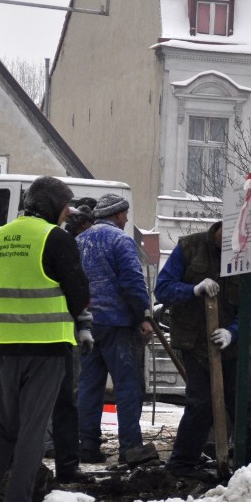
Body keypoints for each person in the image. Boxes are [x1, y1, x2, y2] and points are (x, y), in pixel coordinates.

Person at [0, 176, 90, 502]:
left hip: (7, 344)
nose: (68, 213)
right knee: (34, 427)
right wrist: (83, 322)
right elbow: (79, 292)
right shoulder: (56, 239)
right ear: (51, 205)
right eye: (65, 206)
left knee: (2, 426)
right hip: (48, 344)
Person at [154, 221, 251, 481]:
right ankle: (182, 463)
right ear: (218, 231)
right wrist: (193, 289)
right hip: (194, 342)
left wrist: (233, 332)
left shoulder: (249, 257)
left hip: (233, 345)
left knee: (245, 402)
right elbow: (162, 288)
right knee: (201, 403)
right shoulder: (189, 247)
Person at [76, 193, 152, 464]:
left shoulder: (79, 241)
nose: (127, 219)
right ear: (118, 215)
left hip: (87, 324)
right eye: (125, 214)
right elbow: (132, 281)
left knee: (88, 387)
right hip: (119, 325)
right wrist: (142, 315)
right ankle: (130, 448)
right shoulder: (121, 240)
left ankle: (87, 446)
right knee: (128, 387)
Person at [41, 198, 97, 486]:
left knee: (21, 405)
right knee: (64, 402)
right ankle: (64, 464)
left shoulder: (2, 236)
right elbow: (77, 288)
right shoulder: (61, 242)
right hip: (57, 336)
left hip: (14, 340)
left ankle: (22, 464)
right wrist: (84, 326)